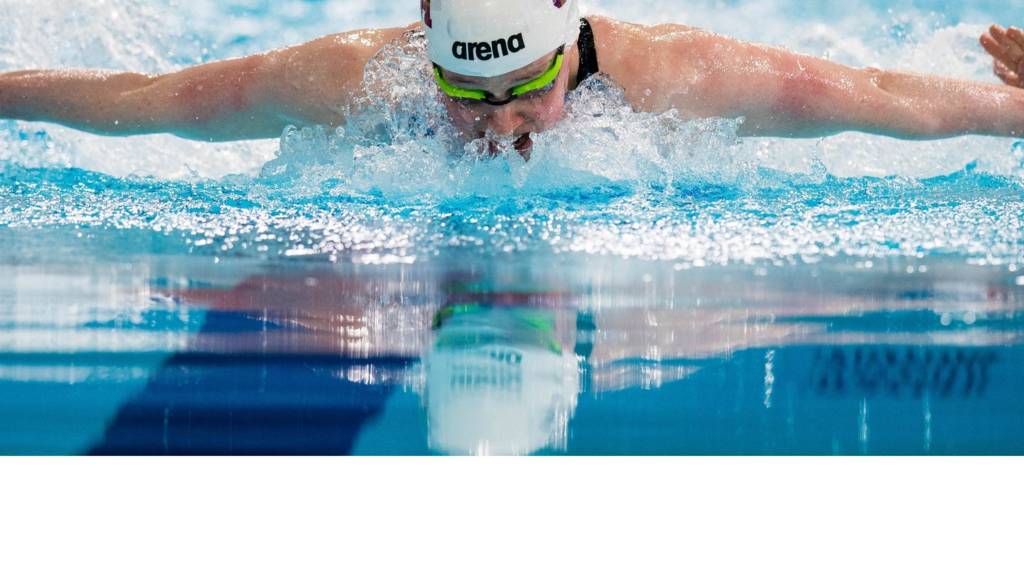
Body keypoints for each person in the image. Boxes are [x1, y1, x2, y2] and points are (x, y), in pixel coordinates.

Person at [1, 0, 1023, 158]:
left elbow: (911, 107)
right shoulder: (349, 80)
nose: (502, 125)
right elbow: (134, 105)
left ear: (567, 46)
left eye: (528, 90)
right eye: (467, 98)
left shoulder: (690, 78)